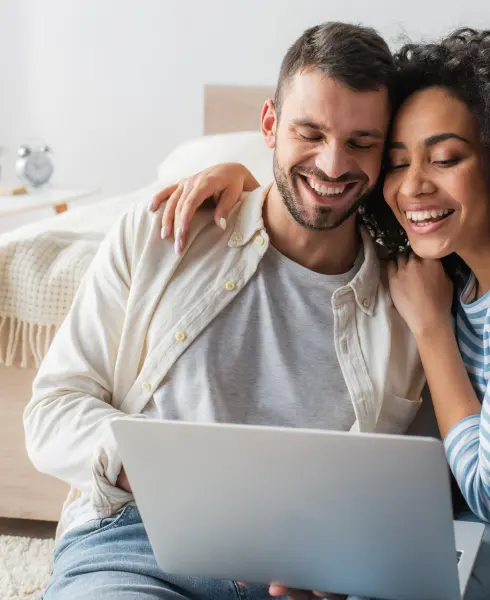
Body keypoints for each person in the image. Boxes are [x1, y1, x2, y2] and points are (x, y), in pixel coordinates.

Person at [155, 28, 490, 599]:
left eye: (446, 158)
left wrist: (431, 329)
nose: (413, 187)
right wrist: (252, 181)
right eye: (397, 163)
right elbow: (322, 192)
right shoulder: (449, 261)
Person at [24, 22, 426, 600]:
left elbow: (416, 488)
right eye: (309, 133)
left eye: (361, 142)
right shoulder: (161, 231)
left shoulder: (412, 294)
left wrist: (347, 560)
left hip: (309, 569)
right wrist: (159, 470)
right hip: (137, 541)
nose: (334, 165)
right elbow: (52, 410)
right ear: (269, 125)